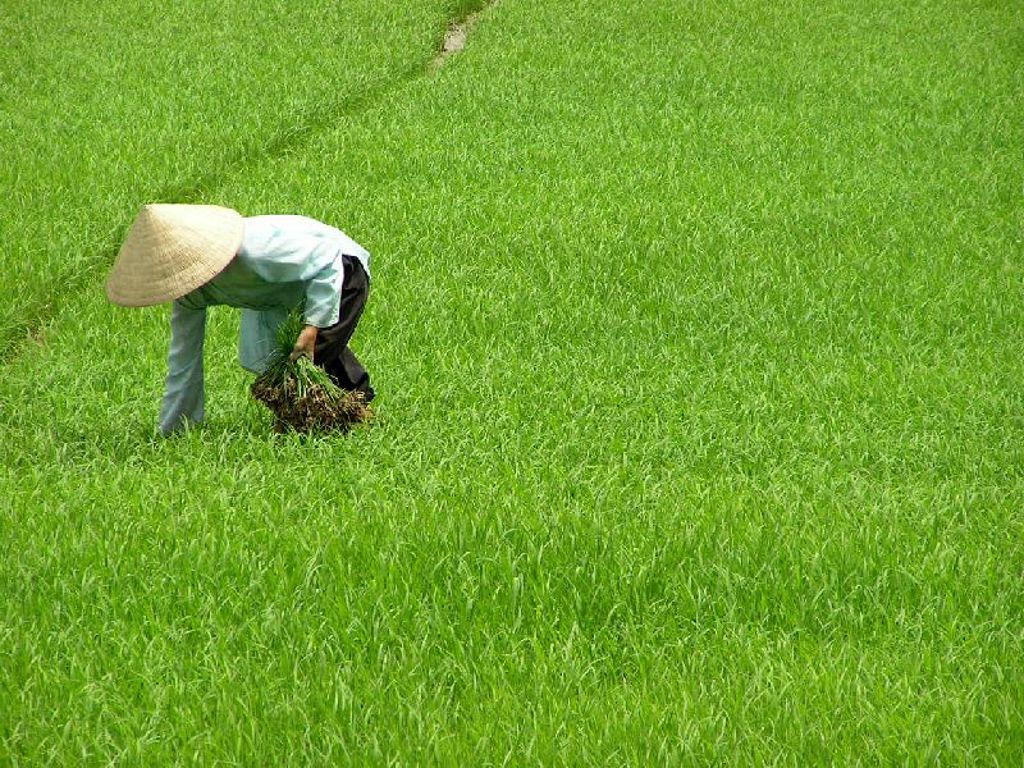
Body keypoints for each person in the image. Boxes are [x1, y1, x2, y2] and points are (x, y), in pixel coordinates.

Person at [105, 203, 374, 435]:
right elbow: (184, 362)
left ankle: (353, 418)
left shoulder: (255, 250)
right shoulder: (189, 291)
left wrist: (312, 326)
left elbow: (327, 258)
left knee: (313, 354)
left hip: (340, 270)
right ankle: (321, 423)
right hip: (280, 295)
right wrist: (174, 430)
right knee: (271, 363)